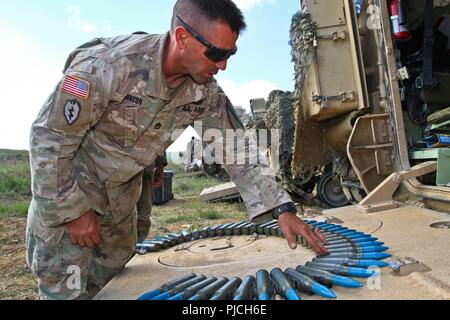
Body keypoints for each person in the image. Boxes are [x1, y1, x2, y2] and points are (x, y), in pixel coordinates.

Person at [26, 0, 328, 300]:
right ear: (182, 37)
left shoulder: (204, 92)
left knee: (111, 289)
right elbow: (48, 138)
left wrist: (281, 210)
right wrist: (72, 211)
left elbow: (238, 152)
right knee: (67, 291)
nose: (223, 64)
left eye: (230, 54)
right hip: (71, 196)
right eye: (217, 53)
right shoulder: (108, 66)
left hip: (121, 205)